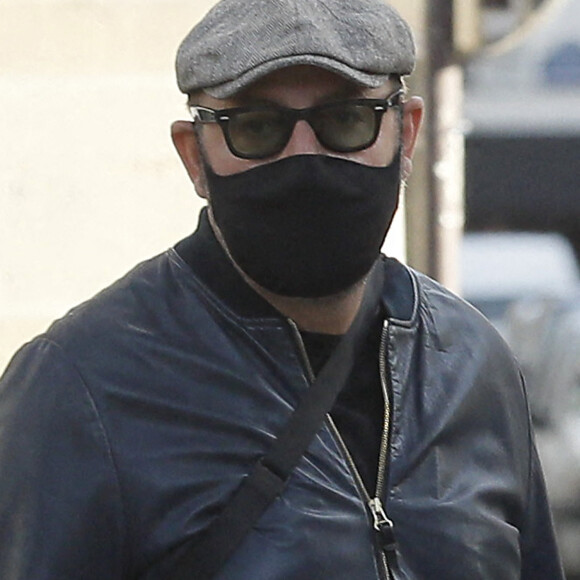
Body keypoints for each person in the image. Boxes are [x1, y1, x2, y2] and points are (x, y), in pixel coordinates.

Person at [0, 0, 565, 578]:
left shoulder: (473, 363)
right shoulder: (81, 387)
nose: (305, 157)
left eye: (347, 121)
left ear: (408, 132)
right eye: (257, 128)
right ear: (194, 156)